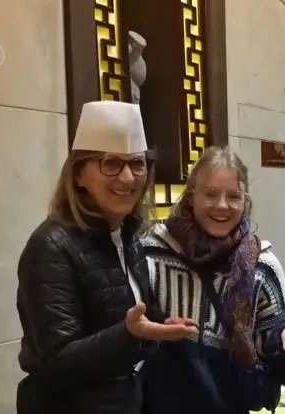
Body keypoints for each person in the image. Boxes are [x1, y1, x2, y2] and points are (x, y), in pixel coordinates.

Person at [15, 101, 198, 413]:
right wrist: (128, 334)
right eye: (111, 163)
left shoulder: (128, 236)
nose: (128, 178)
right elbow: (58, 361)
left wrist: (160, 323)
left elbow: (123, 312)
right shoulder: (51, 247)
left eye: (137, 164)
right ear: (78, 174)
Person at [139, 145, 285, 414]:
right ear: (191, 197)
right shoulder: (152, 251)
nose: (222, 205)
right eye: (210, 194)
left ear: (245, 201)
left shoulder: (261, 264)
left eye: (233, 196)